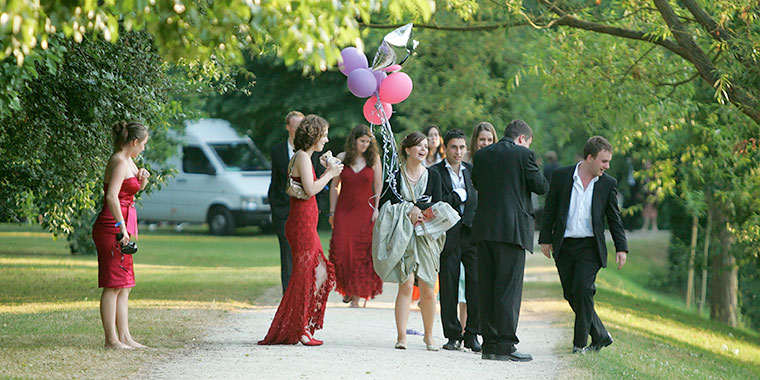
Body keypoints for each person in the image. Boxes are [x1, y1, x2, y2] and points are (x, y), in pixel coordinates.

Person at [259, 114, 343, 346]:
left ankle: (300, 325)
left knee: (316, 272)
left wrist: (326, 167)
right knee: (310, 273)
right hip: (301, 224)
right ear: (314, 135)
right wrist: (330, 174)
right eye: (324, 135)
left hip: (305, 223)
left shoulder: (304, 157)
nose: (326, 139)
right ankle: (301, 328)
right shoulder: (303, 158)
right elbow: (311, 188)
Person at [539, 136, 628, 353]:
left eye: (608, 162)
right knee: (571, 294)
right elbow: (549, 208)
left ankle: (579, 345)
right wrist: (545, 239)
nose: (607, 166)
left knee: (583, 289)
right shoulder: (562, 176)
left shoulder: (608, 183)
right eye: (603, 161)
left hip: (590, 247)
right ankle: (600, 335)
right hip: (564, 245)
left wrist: (621, 247)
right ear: (590, 158)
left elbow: (614, 217)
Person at [471, 119, 549, 362]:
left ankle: (490, 345)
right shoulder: (522, 155)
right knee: (508, 288)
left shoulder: (482, 155)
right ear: (522, 139)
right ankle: (506, 344)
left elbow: (476, 183)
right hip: (512, 231)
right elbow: (541, 186)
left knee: (487, 287)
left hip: (484, 229)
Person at [372, 132, 451, 351]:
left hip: (426, 238)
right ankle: (401, 337)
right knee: (405, 285)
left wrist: (425, 211)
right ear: (407, 150)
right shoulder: (395, 177)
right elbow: (384, 208)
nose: (424, 149)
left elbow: (440, 203)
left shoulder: (433, 175)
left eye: (426, 146)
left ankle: (428, 336)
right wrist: (408, 209)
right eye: (419, 146)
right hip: (403, 238)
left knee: (427, 287)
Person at [92, 121, 151, 349]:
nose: (143, 149)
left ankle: (125, 337)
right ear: (134, 142)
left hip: (123, 225)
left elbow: (133, 189)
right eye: (143, 144)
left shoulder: (129, 160)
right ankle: (111, 339)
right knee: (112, 284)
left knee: (124, 284)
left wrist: (142, 179)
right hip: (112, 227)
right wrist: (121, 228)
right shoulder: (118, 161)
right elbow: (112, 197)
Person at [430, 129, 480, 352]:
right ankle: (452, 335)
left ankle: (472, 334)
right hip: (447, 235)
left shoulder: (472, 171)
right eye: (453, 147)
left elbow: (478, 200)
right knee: (448, 286)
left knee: (476, 284)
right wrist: (456, 196)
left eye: (461, 147)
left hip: (471, 234)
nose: (458, 152)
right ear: (445, 148)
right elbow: (435, 202)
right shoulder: (435, 172)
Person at [328, 125, 384, 307]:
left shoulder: (374, 159)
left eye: (368, 142)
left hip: (365, 211)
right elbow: (334, 186)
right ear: (354, 140)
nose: (365, 145)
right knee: (341, 248)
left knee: (361, 252)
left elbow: (378, 186)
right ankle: (346, 287)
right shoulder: (342, 158)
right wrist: (332, 211)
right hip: (344, 210)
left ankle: (356, 296)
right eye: (362, 141)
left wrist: (376, 208)